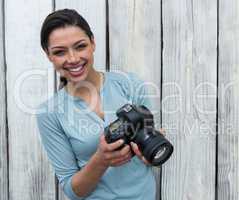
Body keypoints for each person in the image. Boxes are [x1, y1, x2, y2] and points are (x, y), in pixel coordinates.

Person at [36, 9, 156, 200]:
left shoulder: (130, 84)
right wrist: (101, 160)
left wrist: (150, 149)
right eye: (60, 52)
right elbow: (72, 191)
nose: (73, 59)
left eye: (80, 46)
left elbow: (150, 152)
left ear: (93, 42)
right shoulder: (49, 113)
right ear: (48, 55)